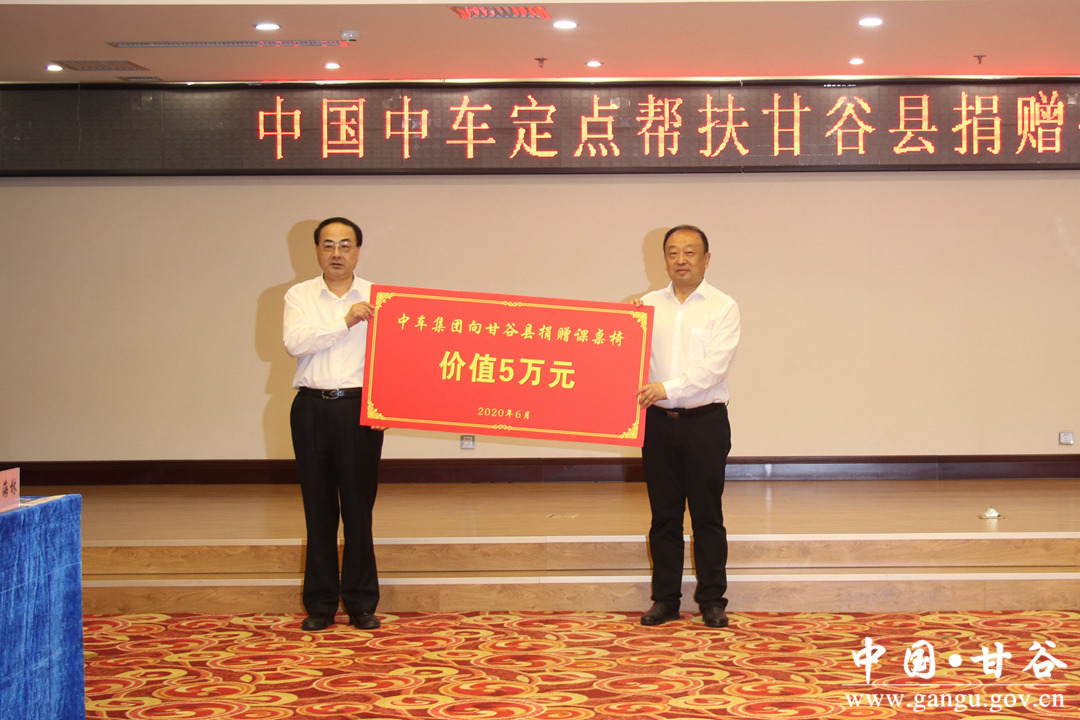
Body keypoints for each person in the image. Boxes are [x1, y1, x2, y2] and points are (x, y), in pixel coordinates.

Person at [634, 224, 740, 629]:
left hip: (705, 423)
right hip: (658, 424)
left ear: (706, 259)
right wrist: (622, 328)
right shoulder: (645, 307)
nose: (681, 259)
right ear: (664, 259)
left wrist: (666, 388)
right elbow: (627, 361)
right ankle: (665, 600)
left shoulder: (723, 307)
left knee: (707, 515)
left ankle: (712, 600)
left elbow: (713, 369)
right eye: (673, 252)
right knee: (663, 516)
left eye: (690, 252)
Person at [283, 216, 385, 631]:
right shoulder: (300, 295)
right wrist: (345, 320)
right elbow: (295, 343)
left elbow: (396, 356)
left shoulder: (379, 297)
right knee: (318, 508)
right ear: (317, 251)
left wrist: (388, 405)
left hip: (359, 411)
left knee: (359, 510)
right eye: (328, 245)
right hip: (311, 408)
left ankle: (361, 602)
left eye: (345, 245)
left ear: (358, 250)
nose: (337, 253)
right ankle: (320, 604)